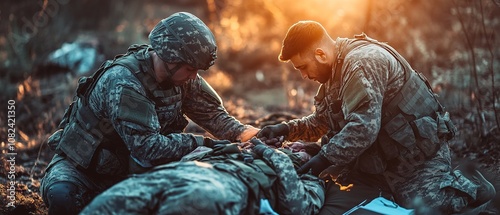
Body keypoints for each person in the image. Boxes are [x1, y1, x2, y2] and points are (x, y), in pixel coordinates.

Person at [257, 20, 496, 214]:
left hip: (415, 162)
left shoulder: (362, 62)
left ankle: (473, 187)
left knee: (421, 207)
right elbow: (321, 121)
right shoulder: (333, 72)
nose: (303, 75)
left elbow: (363, 129)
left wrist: (323, 158)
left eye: (302, 67)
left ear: (320, 53)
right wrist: (285, 130)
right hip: (380, 160)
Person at [40, 12, 259, 214]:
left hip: (130, 174)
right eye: (191, 69)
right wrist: (200, 143)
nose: (194, 77)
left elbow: (214, 116)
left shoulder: (181, 77)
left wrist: (247, 134)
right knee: (63, 199)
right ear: (170, 58)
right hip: (83, 173)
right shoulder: (124, 82)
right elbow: (147, 148)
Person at [79, 138, 325, 215]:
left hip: (225, 185)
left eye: (299, 149)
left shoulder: (309, 179)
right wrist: (239, 147)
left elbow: (299, 209)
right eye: (291, 143)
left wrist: (274, 156)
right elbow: (193, 155)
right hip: (177, 173)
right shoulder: (250, 149)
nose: (291, 146)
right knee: (104, 207)